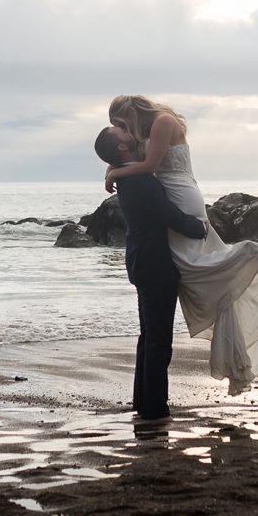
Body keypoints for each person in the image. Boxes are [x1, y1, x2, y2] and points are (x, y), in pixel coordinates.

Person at [104, 95, 258, 395]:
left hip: (180, 195)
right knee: (189, 265)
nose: (124, 129)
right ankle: (228, 278)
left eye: (122, 123)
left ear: (133, 112)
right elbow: (130, 157)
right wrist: (113, 166)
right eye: (117, 127)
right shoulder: (142, 134)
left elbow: (149, 166)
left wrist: (115, 172)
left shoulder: (162, 121)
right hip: (168, 197)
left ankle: (248, 256)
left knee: (195, 261)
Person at [95, 124, 207, 423]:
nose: (128, 131)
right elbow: (170, 217)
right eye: (121, 132)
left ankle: (142, 401)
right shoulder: (142, 181)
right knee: (158, 340)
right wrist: (201, 228)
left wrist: (113, 171)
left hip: (141, 261)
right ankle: (155, 409)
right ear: (122, 147)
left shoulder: (130, 179)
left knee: (149, 337)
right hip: (155, 265)